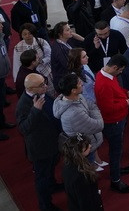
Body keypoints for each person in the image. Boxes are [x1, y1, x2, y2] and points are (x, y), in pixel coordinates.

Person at [16, 73, 61, 211]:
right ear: (31, 88)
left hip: (52, 141)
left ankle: (52, 185)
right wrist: (35, 111)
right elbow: (23, 128)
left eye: (45, 82)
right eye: (41, 85)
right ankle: (45, 205)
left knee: (51, 168)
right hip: (41, 148)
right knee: (42, 178)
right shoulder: (23, 104)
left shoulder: (42, 93)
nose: (46, 86)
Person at [95, 54, 129, 194]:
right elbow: (107, 108)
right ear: (114, 67)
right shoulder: (104, 83)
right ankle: (116, 180)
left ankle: (116, 169)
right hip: (113, 122)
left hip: (118, 119)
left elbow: (116, 92)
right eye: (120, 70)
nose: (121, 73)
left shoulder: (107, 75)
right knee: (115, 150)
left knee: (117, 149)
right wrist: (127, 102)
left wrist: (127, 93)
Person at [53, 73, 104, 162]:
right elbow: (99, 125)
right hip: (84, 147)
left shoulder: (75, 96)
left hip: (88, 140)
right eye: (79, 83)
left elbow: (89, 104)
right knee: (89, 165)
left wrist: (91, 111)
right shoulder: (74, 113)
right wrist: (94, 111)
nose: (82, 84)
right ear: (73, 90)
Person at [61, 134, 104, 210]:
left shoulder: (70, 163)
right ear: (79, 151)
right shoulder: (80, 175)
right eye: (86, 146)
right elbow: (85, 202)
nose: (90, 146)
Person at [12, 22, 53, 89]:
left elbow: (50, 55)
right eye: (25, 34)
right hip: (30, 76)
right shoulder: (18, 47)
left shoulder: (41, 42)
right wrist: (17, 79)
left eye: (30, 33)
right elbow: (17, 64)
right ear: (21, 35)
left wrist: (42, 61)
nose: (27, 36)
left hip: (45, 71)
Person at [51, 22, 85, 88]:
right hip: (65, 82)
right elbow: (69, 66)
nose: (71, 31)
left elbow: (84, 42)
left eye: (70, 29)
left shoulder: (67, 40)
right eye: (67, 30)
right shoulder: (59, 49)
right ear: (60, 34)